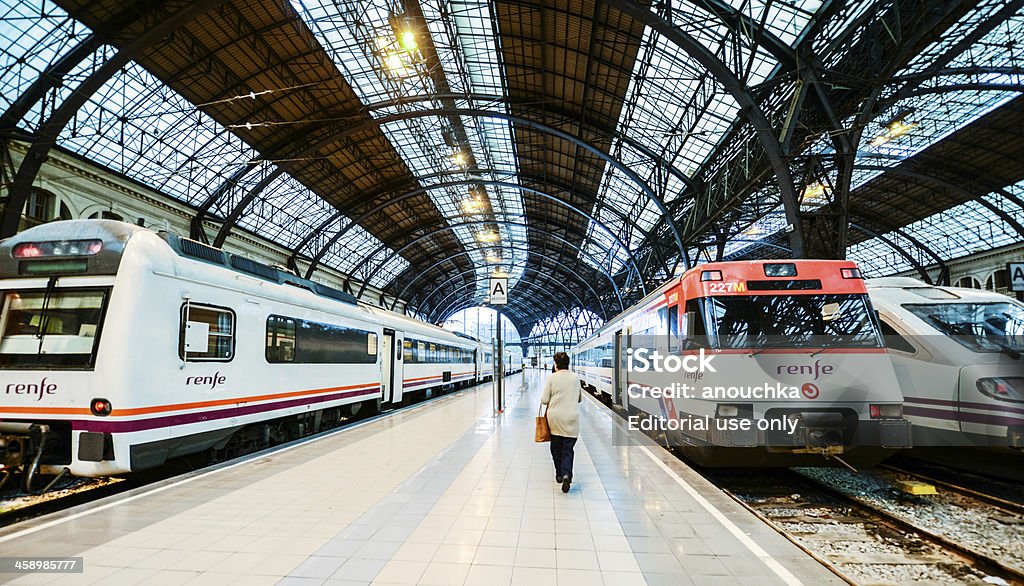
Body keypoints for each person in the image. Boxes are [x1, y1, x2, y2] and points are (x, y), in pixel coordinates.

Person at [540, 351, 582, 493]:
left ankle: (559, 473)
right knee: (568, 450)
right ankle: (566, 475)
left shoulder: (552, 378)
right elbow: (579, 399)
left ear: (556, 364)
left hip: (555, 419)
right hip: (572, 418)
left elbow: (544, 400)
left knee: (556, 448)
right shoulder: (576, 378)